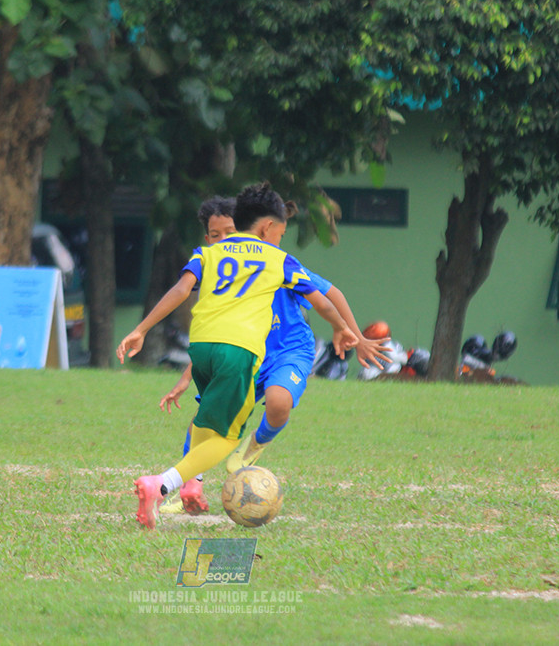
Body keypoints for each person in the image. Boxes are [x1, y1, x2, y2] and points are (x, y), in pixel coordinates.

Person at [116, 182, 359, 529]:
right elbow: (321, 301)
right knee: (227, 437)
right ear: (267, 228)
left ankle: (191, 485)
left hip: (201, 347)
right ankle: (162, 484)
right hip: (238, 351)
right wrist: (340, 328)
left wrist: (141, 329)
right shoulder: (277, 259)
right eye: (281, 232)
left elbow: (181, 290)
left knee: (205, 421)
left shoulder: (207, 253)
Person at [157, 197, 389, 515]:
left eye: (229, 232)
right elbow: (212, 333)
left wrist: (355, 336)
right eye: (215, 235)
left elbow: (330, 294)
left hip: (289, 350)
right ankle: (189, 488)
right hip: (245, 354)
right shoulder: (218, 275)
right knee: (204, 421)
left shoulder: (278, 262)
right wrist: (187, 378)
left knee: (279, 402)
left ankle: (256, 442)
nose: (224, 241)